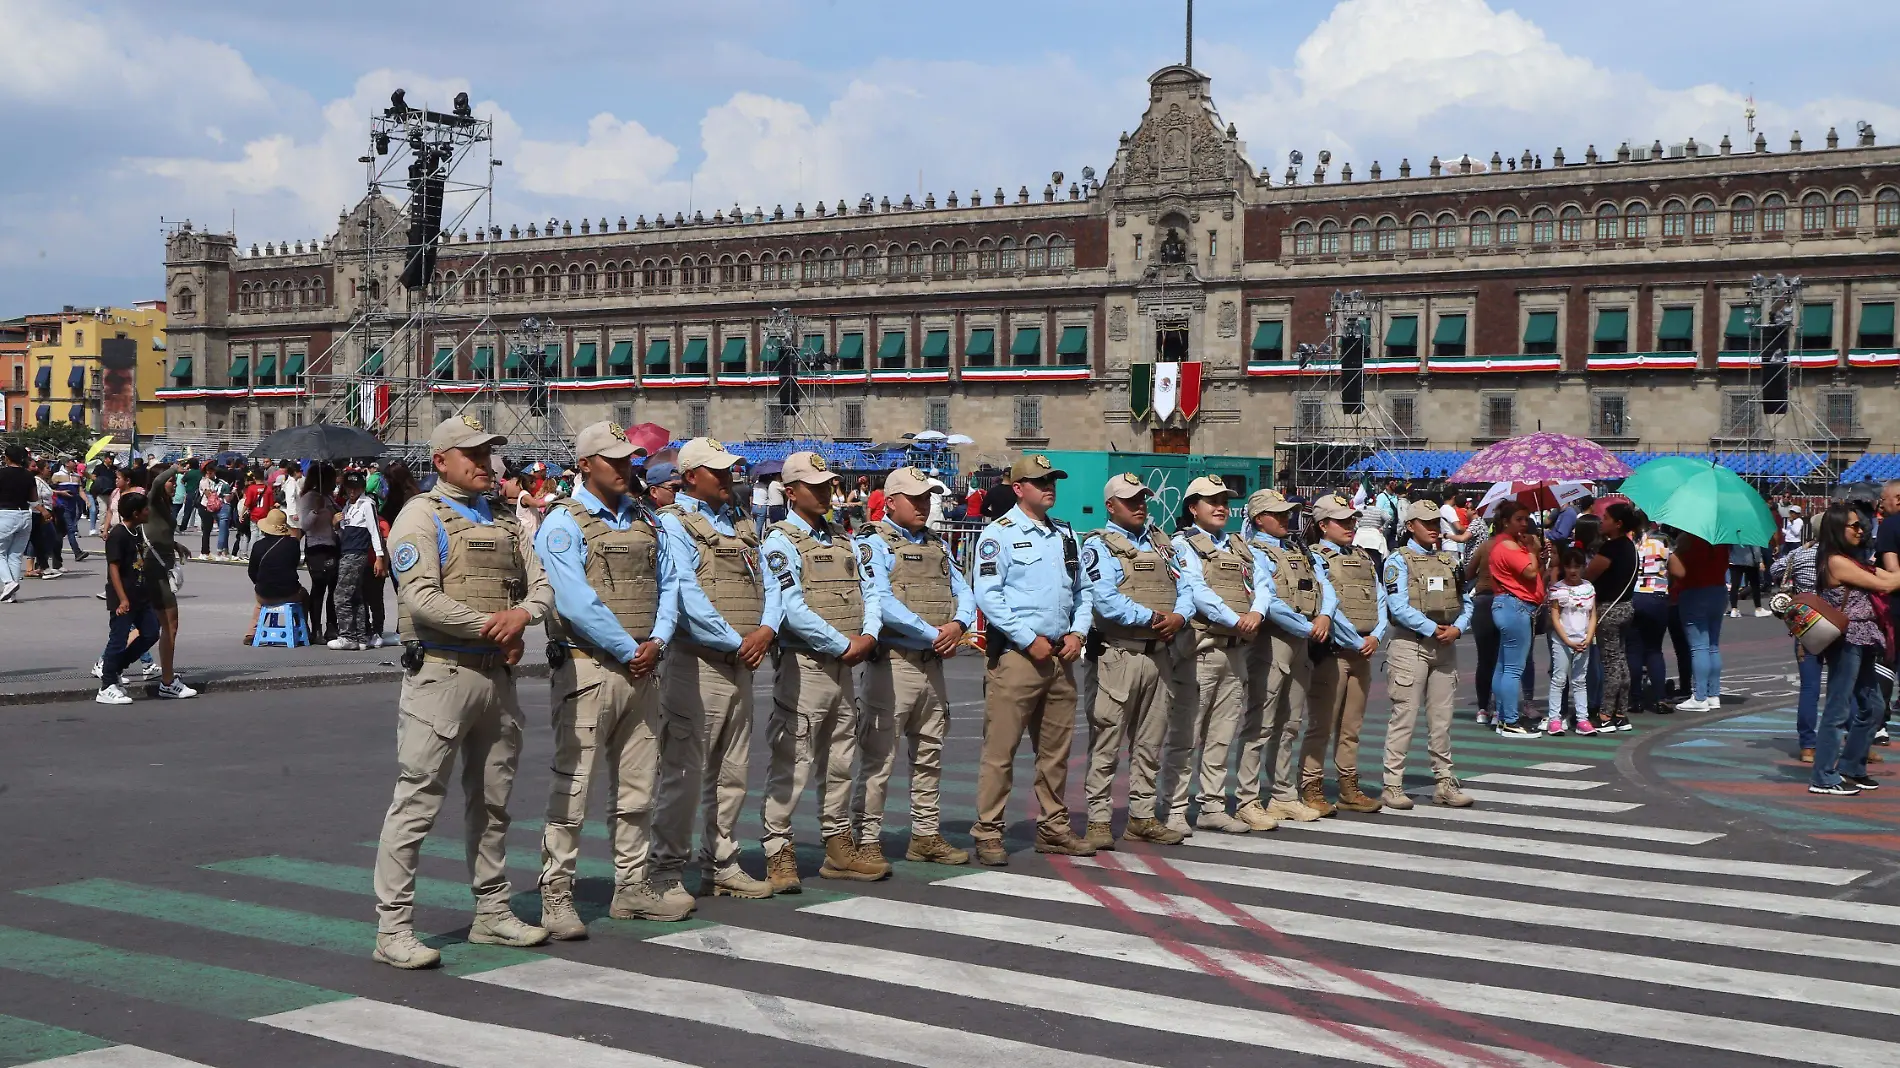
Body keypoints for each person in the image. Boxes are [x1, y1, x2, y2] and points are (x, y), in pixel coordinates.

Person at [372, 415, 556, 969]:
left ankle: (492, 912)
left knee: (494, 802)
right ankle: (393, 928)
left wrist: (523, 614)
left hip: (495, 678)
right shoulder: (420, 516)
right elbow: (421, 596)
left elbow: (543, 585)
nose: (485, 463)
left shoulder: (504, 519)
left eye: (489, 452)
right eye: (472, 454)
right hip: (442, 675)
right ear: (441, 461)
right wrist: (491, 625)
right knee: (418, 800)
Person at [533, 421, 684, 937]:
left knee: (640, 786)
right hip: (589, 665)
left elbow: (670, 585)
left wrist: (658, 642)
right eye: (614, 460)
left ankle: (632, 886)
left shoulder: (645, 519)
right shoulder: (562, 524)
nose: (626, 468)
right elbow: (575, 601)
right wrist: (631, 649)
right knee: (572, 786)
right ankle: (556, 893)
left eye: (629, 461)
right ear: (585, 465)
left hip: (642, 666)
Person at [649, 438, 778, 902]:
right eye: (718, 471)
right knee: (683, 773)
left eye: (730, 471)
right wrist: (739, 641)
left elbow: (770, 583)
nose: (729, 478)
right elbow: (685, 596)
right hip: (697, 663)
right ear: (691, 478)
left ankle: (721, 863)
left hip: (741, 660)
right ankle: (664, 869)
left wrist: (766, 628)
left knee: (733, 771)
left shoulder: (740, 522)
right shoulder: (672, 523)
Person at [758, 451, 883, 885]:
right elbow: (790, 607)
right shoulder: (780, 541)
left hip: (844, 664)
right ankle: (778, 848)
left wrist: (867, 635)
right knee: (793, 759)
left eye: (828, 483)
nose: (827, 490)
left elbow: (870, 591)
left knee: (841, 760)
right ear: (791, 492)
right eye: (815, 485)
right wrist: (843, 643)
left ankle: (838, 844)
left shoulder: (842, 537)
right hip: (805, 664)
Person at [971, 453, 1095, 865]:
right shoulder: (999, 534)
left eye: (1053, 480)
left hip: (1061, 654)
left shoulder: (1065, 533)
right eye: (1040, 480)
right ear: (1018, 488)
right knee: (1000, 751)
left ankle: (1053, 826)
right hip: (1019, 657)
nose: (1049, 487)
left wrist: (1079, 631)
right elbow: (989, 595)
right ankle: (988, 830)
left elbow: (1083, 590)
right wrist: (1027, 639)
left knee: (1055, 751)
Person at [854, 465, 975, 865]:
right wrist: (934, 633)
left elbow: (964, 590)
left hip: (931, 663)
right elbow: (880, 600)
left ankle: (925, 834)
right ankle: (867, 838)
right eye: (916, 498)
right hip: (893, 663)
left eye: (928, 497)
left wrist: (959, 623)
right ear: (890, 502)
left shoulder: (937, 545)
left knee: (929, 754)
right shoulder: (873, 541)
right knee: (879, 758)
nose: (925, 505)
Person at [1079, 472, 1194, 849]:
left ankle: (1142, 816)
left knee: (1150, 743)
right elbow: (1104, 599)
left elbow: (1187, 585)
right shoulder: (1100, 546)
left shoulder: (1162, 543)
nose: (1140, 505)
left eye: (1143, 498)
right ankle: (1098, 819)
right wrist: (1154, 619)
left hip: (1160, 654)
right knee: (1107, 739)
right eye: (1131, 501)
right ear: (1111, 506)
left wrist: (1180, 616)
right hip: (1119, 654)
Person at [1158, 476, 1266, 835]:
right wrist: (1238, 619)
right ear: (1193, 508)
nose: (1220, 507)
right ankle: (1174, 807)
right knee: (1186, 735)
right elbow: (1196, 590)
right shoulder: (1182, 545)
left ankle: (1212, 805)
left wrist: (1257, 614)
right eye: (1211, 501)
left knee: (1222, 734)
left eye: (1223, 500)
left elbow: (1263, 584)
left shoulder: (1239, 545)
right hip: (1202, 650)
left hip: (1236, 650)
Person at [1231, 490, 1332, 828]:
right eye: (1278, 514)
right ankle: (1247, 798)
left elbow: (1324, 585)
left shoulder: (1296, 548)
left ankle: (1282, 795)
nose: (1286, 518)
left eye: (1288, 512)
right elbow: (1267, 600)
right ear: (1259, 519)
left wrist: (1325, 617)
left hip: (1302, 639)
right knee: (1261, 721)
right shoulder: (1254, 552)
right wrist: (1307, 626)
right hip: (1272, 641)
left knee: (1289, 723)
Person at [1380, 500, 1475, 808]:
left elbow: (1467, 602)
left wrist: (1457, 629)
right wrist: (1433, 628)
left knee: (1441, 720)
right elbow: (1398, 607)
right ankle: (1392, 784)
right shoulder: (1398, 561)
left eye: (1436, 521)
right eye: (1426, 522)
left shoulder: (1449, 561)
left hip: (1445, 645)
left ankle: (1444, 782)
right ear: (1410, 526)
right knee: (1404, 718)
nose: (1434, 527)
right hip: (1411, 645)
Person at [1304, 494, 1389, 812]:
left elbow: (1380, 598)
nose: (1350, 525)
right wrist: (1357, 639)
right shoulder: (1314, 556)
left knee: (1352, 727)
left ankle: (1348, 786)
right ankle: (1310, 785)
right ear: (1323, 524)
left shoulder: (1364, 556)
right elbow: (1328, 605)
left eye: (1352, 519)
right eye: (1342, 520)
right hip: (1333, 652)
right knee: (1322, 725)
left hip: (1362, 652)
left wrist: (1377, 637)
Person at [1810, 502, 1900, 796]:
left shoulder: (1854, 560)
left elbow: (1887, 578)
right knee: (1838, 708)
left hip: (1865, 638)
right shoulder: (1835, 561)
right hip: (1847, 640)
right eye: (1854, 526)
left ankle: (1851, 766)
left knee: (1872, 707)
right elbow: (1884, 585)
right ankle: (1823, 776)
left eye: (1861, 525)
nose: (1861, 530)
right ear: (1837, 528)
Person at [95, 492, 165, 706]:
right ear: (136, 513)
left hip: (141, 595)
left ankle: (116, 667)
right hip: (123, 598)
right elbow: (113, 568)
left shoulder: (136, 532)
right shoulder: (119, 535)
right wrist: (122, 598)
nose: (148, 512)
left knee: (152, 632)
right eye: (145, 509)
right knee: (117, 639)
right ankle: (107, 686)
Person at [1486, 500, 1544, 737]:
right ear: (1505, 522)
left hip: (1509, 605)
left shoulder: (1505, 544)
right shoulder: (1508, 546)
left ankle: (1502, 716)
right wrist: (1533, 551)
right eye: (1519, 519)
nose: (1524, 523)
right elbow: (1530, 571)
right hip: (1515, 606)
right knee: (1512, 668)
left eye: (1526, 519)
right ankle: (1510, 720)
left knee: (1503, 666)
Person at [1583, 501, 1640, 732]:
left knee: (1610, 663)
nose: (1601, 522)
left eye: (1605, 518)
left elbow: (1589, 575)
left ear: (1617, 524)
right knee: (1621, 660)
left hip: (1609, 609)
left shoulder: (1611, 548)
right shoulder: (1630, 546)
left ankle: (1605, 714)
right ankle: (1620, 712)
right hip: (1626, 607)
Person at [141, 464, 195, 698]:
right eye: (172, 481)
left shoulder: (162, 506)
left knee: (148, 623)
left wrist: (175, 546)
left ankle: (107, 663)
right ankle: (167, 681)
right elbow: (154, 484)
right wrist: (174, 468)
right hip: (155, 571)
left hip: (161, 567)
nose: (176, 484)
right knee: (169, 624)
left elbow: (159, 533)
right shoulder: (151, 500)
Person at [1669, 529, 1731, 713]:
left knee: (1699, 647)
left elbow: (1677, 570)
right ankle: (1713, 694)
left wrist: (1674, 552)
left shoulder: (1688, 539)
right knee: (1712, 645)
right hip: (1718, 590)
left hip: (1695, 591)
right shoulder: (1722, 538)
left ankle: (1699, 696)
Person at [331, 471, 387, 650]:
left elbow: (375, 531)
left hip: (356, 553)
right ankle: (361, 637)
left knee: (341, 596)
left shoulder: (367, 504)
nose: (352, 491)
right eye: (349, 487)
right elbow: (343, 533)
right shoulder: (347, 506)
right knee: (355, 596)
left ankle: (347, 635)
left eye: (356, 487)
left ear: (362, 488)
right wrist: (335, 523)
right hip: (348, 550)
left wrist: (379, 556)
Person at [1546, 548, 1598, 734]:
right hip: (1562, 641)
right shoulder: (1558, 589)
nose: (1573, 571)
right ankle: (1554, 719)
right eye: (1569, 566)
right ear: (1563, 568)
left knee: (1580, 680)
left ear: (1584, 567)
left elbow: (1592, 615)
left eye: (1577, 566)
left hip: (1583, 640)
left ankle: (1582, 719)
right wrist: (1566, 640)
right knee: (1558, 680)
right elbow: (1555, 616)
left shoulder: (1588, 588)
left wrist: (1589, 637)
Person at [1630, 515, 1672, 719]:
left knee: (1634, 649)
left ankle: (1635, 698)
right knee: (1654, 649)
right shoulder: (1664, 540)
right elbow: (1677, 570)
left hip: (1635, 594)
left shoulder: (1632, 540)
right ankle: (1660, 697)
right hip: (1658, 595)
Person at [244, 508, 304, 645]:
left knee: (260, 604)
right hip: (289, 592)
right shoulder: (293, 544)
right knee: (304, 596)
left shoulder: (258, 545)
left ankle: (251, 633)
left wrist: (260, 582)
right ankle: (302, 628)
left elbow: (252, 571)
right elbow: (294, 566)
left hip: (264, 593)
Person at [296, 464, 342, 642]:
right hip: (316, 546)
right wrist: (316, 510)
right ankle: (316, 628)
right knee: (319, 587)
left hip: (332, 544)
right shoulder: (309, 498)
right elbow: (305, 526)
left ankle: (332, 626)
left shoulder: (329, 498)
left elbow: (334, 523)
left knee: (334, 589)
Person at [0, 444, 36, 603]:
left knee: (0, 552)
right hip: (24, 514)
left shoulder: (1, 474)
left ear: (7, 458)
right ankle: (11, 594)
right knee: (14, 555)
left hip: (5, 514)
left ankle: (8, 583)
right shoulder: (28, 475)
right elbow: (33, 498)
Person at [1728, 542, 1766, 618]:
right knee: (1755, 584)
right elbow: (1756, 548)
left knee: (1735, 585)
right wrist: (1759, 560)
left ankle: (1734, 609)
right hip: (1749, 560)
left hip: (1734, 560)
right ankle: (1758, 609)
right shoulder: (1750, 531)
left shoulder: (1731, 532)